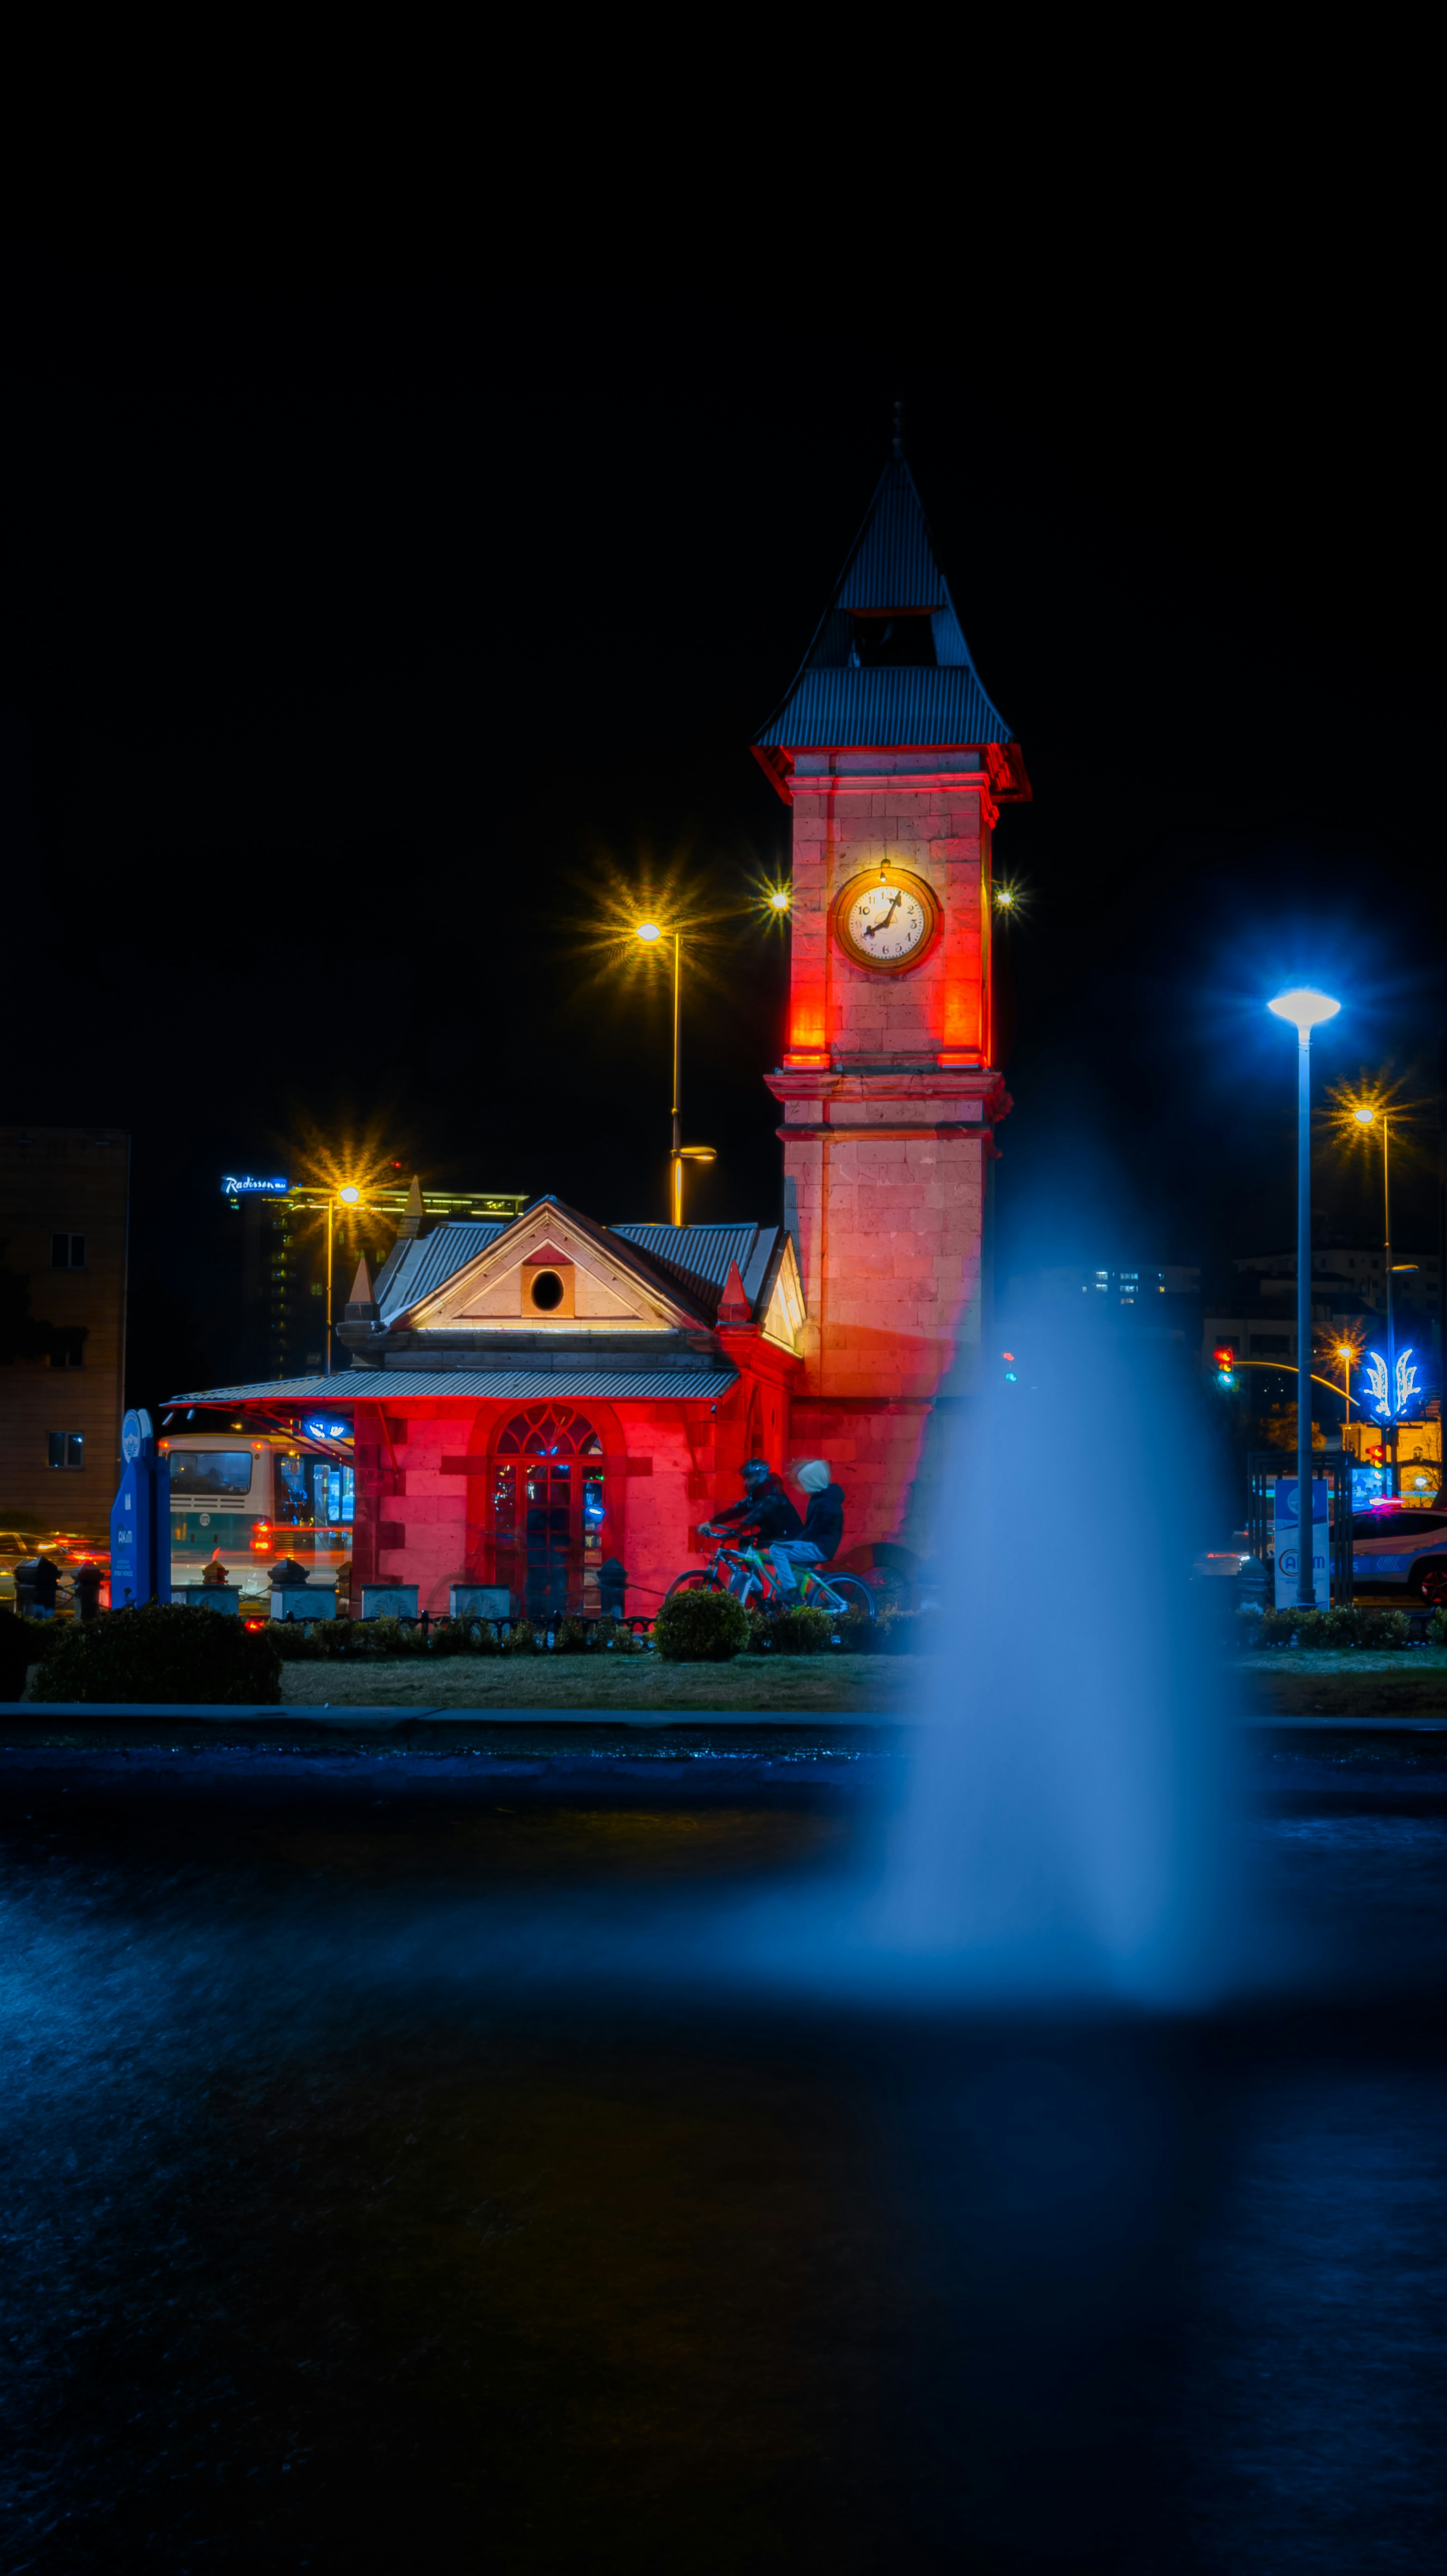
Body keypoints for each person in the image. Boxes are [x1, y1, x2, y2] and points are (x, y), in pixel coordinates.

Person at [704, 1457, 802, 1594]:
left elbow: (756, 1515)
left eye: (750, 1478)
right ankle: (755, 1584)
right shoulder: (757, 1493)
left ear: (761, 1476)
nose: (747, 1481)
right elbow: (738, 1509)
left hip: (788, 1535)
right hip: (773, 1532)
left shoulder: (772, 1495)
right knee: (746, 1544)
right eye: (746, 1478)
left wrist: (735, 1532)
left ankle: (760, 1587)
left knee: (761, 1549)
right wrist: (711, 1522)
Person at [767, 1459, 846, 1598]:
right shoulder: (824, 1499)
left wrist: (792, 1543)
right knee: (794, 1568)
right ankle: (805, 1600)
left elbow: (813, 1532)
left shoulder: (825, 1502)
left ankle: (790, 1591)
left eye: (805, 1483)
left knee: (777, 1550)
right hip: (821, 1545)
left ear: (812, 1482)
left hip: (819, 1547)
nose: (803, 1487)